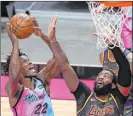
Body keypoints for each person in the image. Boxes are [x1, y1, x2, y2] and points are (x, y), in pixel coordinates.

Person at [42, 16, 131, 116]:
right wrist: (53, 41)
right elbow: (64, 66)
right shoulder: (84, 96)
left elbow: (124, 67)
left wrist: (112, 46)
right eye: (100, 75)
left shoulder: (118, 98)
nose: (101, 77)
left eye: (106, 76)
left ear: (113, 85)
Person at [4, 17, 59, 116]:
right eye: (25, 62)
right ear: (17, 67)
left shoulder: (42, 79)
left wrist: (41, 35)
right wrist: (15, 44)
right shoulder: (14, 89)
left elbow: (59, 58)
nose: (30, 63)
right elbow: (14, 76)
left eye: (29, 60)